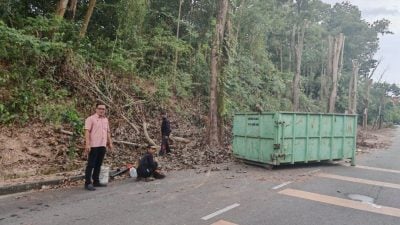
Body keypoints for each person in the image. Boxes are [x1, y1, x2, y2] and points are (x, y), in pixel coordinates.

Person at [84, 102, 113, 191]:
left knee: (98, 164)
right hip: (94, 145)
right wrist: (87, 144)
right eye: (100, 108)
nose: (101, 110)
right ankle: (88, 183)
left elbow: (108, 132)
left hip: (102, 145)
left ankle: (96, 181)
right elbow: (87, 131)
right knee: (91, 164)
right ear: (96, 109)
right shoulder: (90, 119)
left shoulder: (105, 120)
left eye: (103, 109)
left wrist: (110, 143)